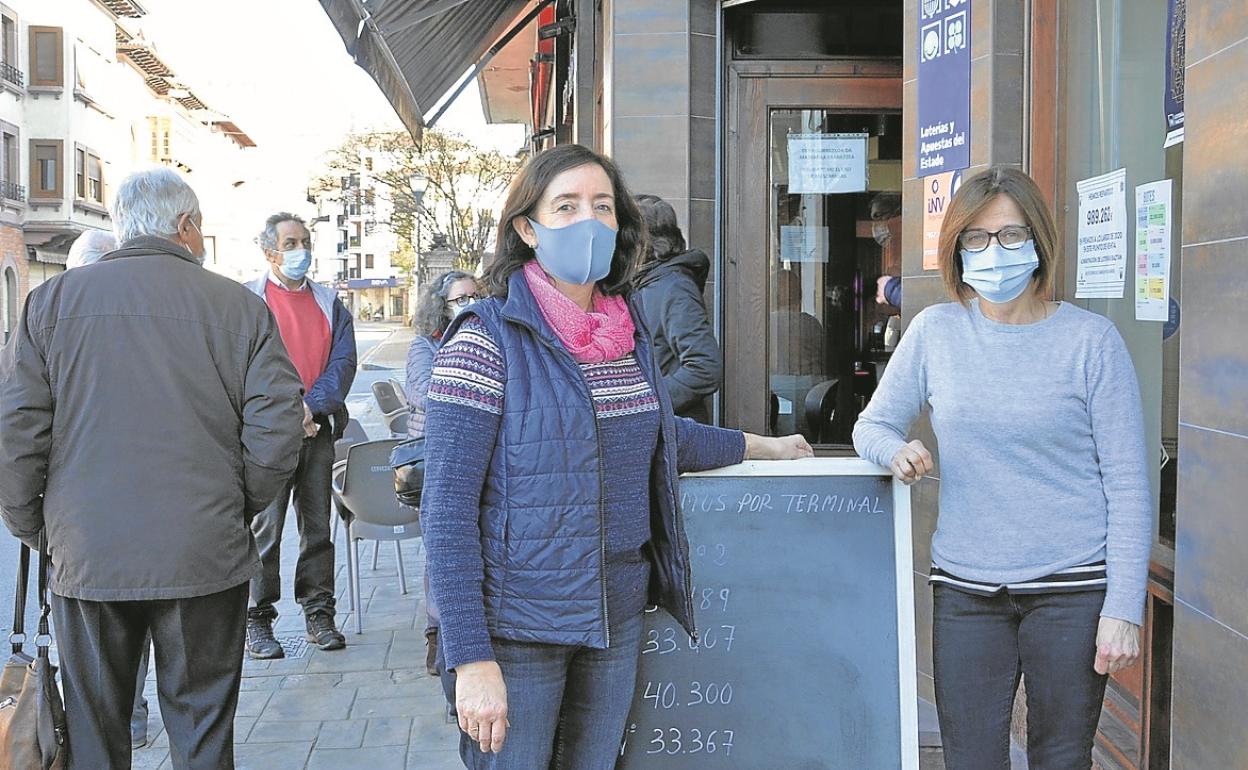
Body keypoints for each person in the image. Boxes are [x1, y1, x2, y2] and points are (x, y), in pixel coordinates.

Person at [421, 143, 812, 769]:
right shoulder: (485, 338)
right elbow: (445, 513)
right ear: (527, 227)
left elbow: (656, 438)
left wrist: (760, 445)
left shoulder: (622, 333)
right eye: (566, 206)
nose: (588, 221)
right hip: (518, 628)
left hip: (615, 615)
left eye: (602, 207)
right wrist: (470, 657)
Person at [0, 167, 305, 768]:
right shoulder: (238, 307)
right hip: (202, 553)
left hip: (88, 552)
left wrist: (34, 526)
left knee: (96, 730)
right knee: (202, 730)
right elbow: (279, 426)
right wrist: (235, 503)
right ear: (186, 226)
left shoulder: (50, 303)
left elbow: (15, 435)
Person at [852, 166, 1150, 769]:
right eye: (978, 239)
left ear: (1039, 240)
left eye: (1012, 236)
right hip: (967, 589)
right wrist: (897, 451)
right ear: (957, 248)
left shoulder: (1092, 342)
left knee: (1061, 759)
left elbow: (1128, 485)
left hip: (1072, 588)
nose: (995, 252)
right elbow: (871, 426)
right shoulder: (936, 331)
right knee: (972, 758)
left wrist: (1122, 608)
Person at [243, 213, 357, 658]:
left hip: (319, 431)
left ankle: (319, 613)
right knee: (263, 530)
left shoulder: (330, 302)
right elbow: (246, 368)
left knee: (317, 528)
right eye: (291, 242)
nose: (301, 251)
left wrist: (311, 408)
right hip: (268, 437)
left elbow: (343, 364)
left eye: (305, 241)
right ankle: (258, 619)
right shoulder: (248, 302)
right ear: (269, 250)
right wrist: (289, 413)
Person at [65, 229, 154, 750]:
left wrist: (33, 523)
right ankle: (133, 710)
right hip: (122, 524)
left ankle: (131, 711)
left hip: (90, 530)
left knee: (102, 663)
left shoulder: (51, 319)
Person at [405, 269, 481, 675]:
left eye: (473, 296)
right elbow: (425, 391)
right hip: (436, 457)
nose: (467, 305)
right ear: (440, 306)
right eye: (458, 300)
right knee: (441, 551)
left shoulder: (486, 340)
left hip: (475, 456)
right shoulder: (424, 346)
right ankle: (437, 636)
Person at [632, 194, 721, 423]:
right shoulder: (649, 283)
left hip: (674, 432)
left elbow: (705, 368)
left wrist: (648, 403)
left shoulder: (675, 288)